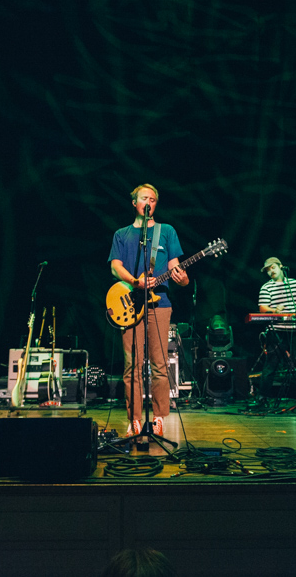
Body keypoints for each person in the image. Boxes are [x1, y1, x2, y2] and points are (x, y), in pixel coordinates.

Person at [109, 184, 189, 438]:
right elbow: (115, 267)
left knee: (159, 364)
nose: (149, 202)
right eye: (144, 198)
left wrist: (182, 278)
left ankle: (158, 418)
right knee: (131, 364)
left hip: (160, 304)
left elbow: (178, 269)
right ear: (134, 202)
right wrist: (135, 282)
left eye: (153, 199)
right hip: (131, 304)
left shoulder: (166, 232)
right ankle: (134, 419)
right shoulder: (122, 234)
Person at [257, 257, 296, 399]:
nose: (270, 271)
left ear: (281, 267)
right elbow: (262, 308)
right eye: (268, 270)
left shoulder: (295, 284)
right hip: (277, 330)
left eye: (273, 267)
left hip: (295, 330)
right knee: (271, 365)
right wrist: (274, 310)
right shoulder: (266, 287)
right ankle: (263, 398)